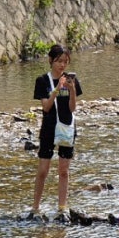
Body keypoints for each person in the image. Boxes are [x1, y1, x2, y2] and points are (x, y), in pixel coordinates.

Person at [30, 44, 83, 222]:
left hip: (67, 128)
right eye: (59, 61)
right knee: (43, 170)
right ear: (51, 60)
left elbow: (72, 108)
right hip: (49, 129)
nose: (62, 65)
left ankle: (62, 207)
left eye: (65, 62)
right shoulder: (42, 81)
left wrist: (72, 89)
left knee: (63, 171)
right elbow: (46, 107)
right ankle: (35, 207)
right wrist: (57, 89)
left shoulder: (71, 80)